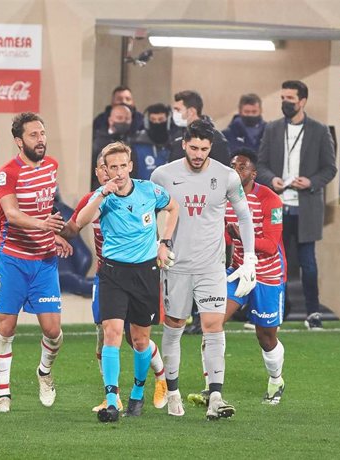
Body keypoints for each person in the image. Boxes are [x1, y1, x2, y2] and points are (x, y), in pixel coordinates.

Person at [151, 119, 257, 421]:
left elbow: (244, 217)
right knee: (174, 329)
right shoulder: (163, 175)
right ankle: (172, 392)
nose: (198, 154)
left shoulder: (226, 177)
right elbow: (149, 214)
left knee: (213, 326)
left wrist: (248, 258)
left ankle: (215, 396)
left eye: (204, 149)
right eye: (194, 147)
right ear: (184, 143)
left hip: (211, 267)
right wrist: (157, 248)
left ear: (212, 148)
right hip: (176, 267)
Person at [76, 142, 179, 422]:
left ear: (130, 166)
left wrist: (164, 242)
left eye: (123, 166)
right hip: (112, 273)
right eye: (113, 168)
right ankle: (111, 400)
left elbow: (173, 207)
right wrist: (100, 192)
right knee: (111, 332)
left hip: (145, 273)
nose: (119, 172)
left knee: (140, 340)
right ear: (104, 171)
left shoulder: (149, 190)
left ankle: (137, 391)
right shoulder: (103, 197)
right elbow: (80, 221)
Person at [187, 150, 287, 407]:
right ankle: (212, 388)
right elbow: (222, 234)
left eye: (242, 167)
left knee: (265, 335)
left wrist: (241, 236)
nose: (235, 170)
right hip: (236, 270)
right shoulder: (223, 196)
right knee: (211, 323)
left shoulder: (270, 200)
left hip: (266, 273)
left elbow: (271, 244)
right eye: (232, 165)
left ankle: (276, 380)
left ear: (253, 174)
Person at [0, 112, 69, 413]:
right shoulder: (7, 173)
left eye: (43, 133)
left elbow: (44, 208)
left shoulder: (52, 166)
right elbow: (11, 215)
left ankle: (44, 373)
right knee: (6, 328)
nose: (41, 139)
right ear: (18, 141)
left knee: (53, 331)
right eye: (34, 135)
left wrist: (55, 236)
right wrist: (45, 226)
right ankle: (3, 394)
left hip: (44, 261)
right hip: (13, 261)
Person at [256, 80, 337, 330]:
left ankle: (313, 313)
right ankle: (272, 311)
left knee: (307, 263)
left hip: (306, 208)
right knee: (273, 260)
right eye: (282, 98)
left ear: (302, 101)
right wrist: (272, 180)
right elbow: (260, 165)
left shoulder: (319, 130)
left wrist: (311, 181)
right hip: (278, 206)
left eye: (290, 98)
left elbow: (330, 168)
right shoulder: (272, 129)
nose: (285, 103)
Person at [168, 90, 230, 166]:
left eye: (178, 110)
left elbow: (222, 169)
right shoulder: (178, 134)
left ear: (191, 111)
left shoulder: (215, 137)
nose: (174, 113)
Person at [91, 104, 134, 189]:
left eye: (127, 119)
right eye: (120, 118)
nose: (123, 122)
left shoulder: (132, 142)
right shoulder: (98, 142)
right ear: (110, 120)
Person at [129, 103, 172, 180]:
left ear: (168, 121)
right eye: (153, 120)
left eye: (161, 119)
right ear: (147, 122)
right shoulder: (136, 147)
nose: (157, 123)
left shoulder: (176, 144)